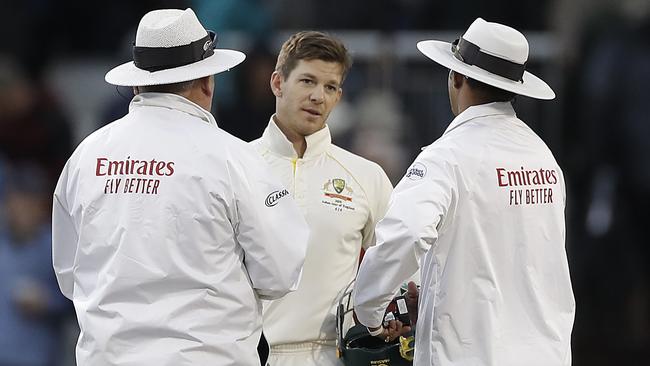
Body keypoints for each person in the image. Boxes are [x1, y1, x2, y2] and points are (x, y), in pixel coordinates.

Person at [52, 8, 309, 366]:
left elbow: (69, 274)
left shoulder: (86, 157)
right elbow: (281, 272)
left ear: (137, 83)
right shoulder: (234, 158)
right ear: (208, 83)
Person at [353, 18, 575, 366]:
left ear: (456, 77)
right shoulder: (542, 156)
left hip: (469, 354)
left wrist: (368, 310)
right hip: (546, 353)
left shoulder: (446, 157)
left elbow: (406, 234)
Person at [250, 31, 393, 365]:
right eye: (307, 81)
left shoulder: (366, 175)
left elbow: (403, 270)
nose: (318, 96)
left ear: (339, 96)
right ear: (277, 83)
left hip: (335, 355)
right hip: (248, 355)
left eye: (330, 87)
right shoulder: (235, 166)